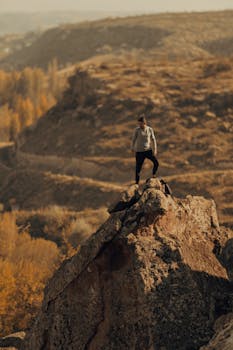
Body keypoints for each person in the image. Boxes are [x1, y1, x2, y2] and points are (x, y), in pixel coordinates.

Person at [131, 115, 159, 184]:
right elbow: (133, 139)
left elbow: (153, 139)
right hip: (139, 152)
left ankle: (153, 175)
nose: (139, 125)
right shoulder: (137, 130)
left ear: (144, 123)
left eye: (141, 124)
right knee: (138, 169)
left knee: (156, 163)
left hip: (148, 150)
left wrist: (155, 149)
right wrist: (132, 148)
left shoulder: (149, 129)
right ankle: (136, 183)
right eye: (138, 124)